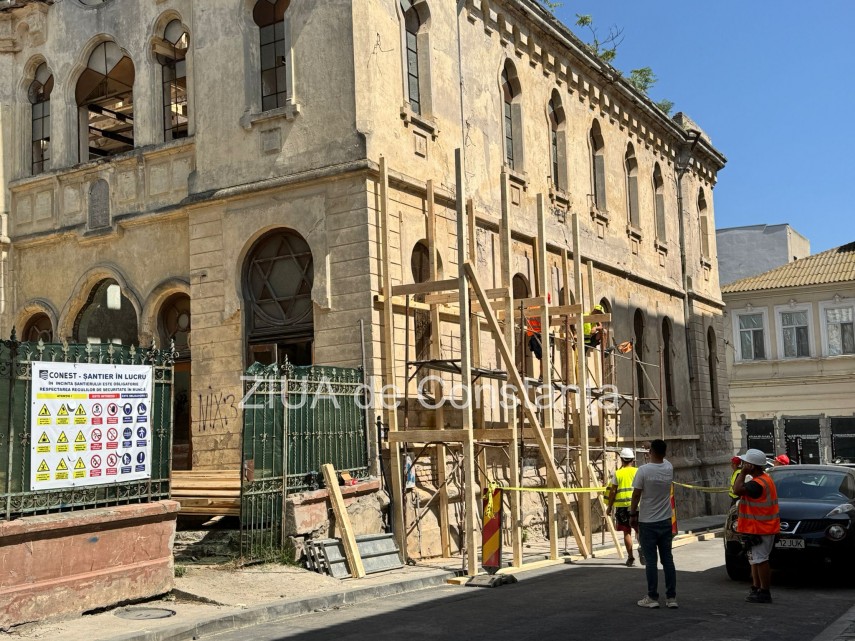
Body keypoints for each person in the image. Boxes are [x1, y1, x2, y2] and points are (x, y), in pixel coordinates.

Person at [630, 439, 677, 609]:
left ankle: (652, 596)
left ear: (650, 452)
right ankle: (671, 598)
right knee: (668, 560)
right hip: (665, 520)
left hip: (648, 521)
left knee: (651, 561)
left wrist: (632, 513)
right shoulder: (669, 467)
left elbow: (636, 495)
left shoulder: (643, 470)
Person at [733, 448, 780, 604]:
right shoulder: (763, 480)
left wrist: (742, 473)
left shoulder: (757, 484)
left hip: (761, 528)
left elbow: (737, 490)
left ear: (751, 466)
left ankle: (764, 591)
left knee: (761, 560)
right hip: (757, 527)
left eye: (746, 463)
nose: (743, 464)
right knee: (754, 560)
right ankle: (756, 588)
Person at [605, 448, 644, 567]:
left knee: (627, 532)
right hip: (637, 506)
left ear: (621, 459)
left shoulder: (618, 473)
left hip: (622, 507)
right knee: (640, 530)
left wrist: (609, 506)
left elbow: (613, 491)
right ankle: (643, 549)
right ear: (632, 459)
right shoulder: (638, 471)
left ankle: (631, 558)